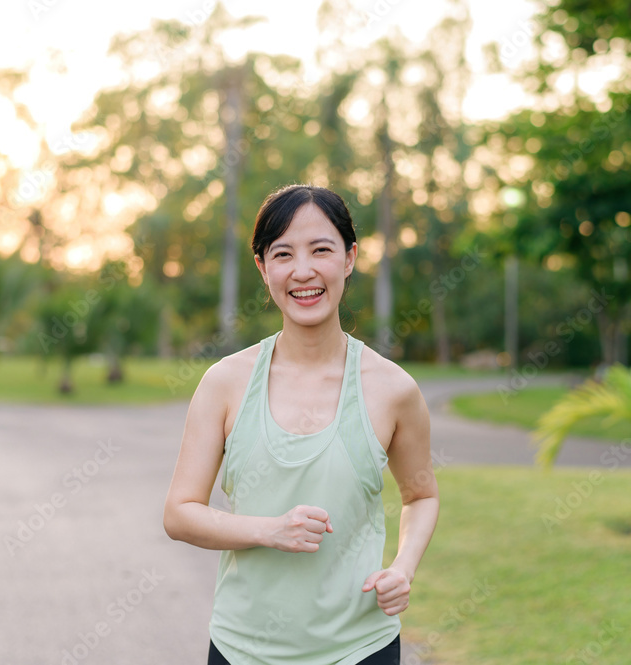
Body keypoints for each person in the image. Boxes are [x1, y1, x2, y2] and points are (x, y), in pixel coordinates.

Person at [163, 184, 439, 665]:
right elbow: (180, 513)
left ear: (350, 258)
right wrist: (270, 530)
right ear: (263, 268)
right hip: (242, 649)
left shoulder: (393, 389)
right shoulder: (225, 382)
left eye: (321, 250)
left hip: (360, 649)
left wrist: (403, 568)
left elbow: (421, 495)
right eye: (283, 253)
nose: (303, 271)